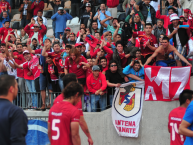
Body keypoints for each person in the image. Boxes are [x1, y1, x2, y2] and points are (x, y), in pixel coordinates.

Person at [53, 73, 93, 145]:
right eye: (76, 81)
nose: (78, 82)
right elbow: (75, 133)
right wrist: (89, 136)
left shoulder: (56, 100)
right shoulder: (75, 101)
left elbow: (50, 131)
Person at [0, 75, 28, 145]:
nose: (17, 89)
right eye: (16, 86)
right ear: (11, 89)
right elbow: (17, 141)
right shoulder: (15, 112)